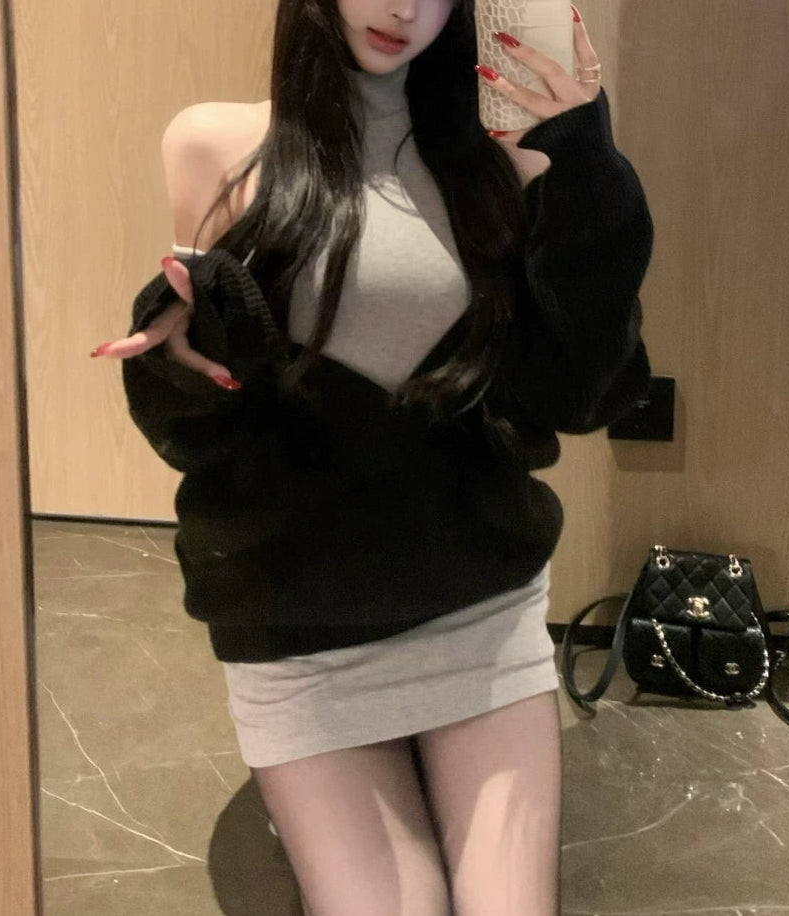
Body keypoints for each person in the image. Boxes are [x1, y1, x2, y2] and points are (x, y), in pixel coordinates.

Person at [91, 0, 653, 913]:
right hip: (298, 622)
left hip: (477, 604)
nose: (403, 7)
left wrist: (585, 159)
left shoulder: (504, 160)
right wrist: (186, 357)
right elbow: (207, 431)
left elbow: (579, 395)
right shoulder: (215, 149)